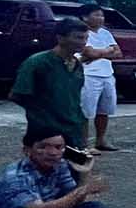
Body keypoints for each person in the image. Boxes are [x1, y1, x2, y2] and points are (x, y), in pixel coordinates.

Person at [11, 17, 89, 150]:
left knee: (76, 169)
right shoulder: (38, 62)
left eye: (85, 38)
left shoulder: (77, 65)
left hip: (74, 131)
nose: (83, 42)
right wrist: (43, 115)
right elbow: (18, 95)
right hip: (46, 133)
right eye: (78, 38)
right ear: (60, 38)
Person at [79, 4, 122, 154]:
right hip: (89, 75)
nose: (100, 18)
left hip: (107, 74)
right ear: (85, 17)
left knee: (104, 110)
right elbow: (89, 52)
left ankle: (100, 139)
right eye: (96, 15)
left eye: (101, 15)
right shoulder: (82, 32)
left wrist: (100, 53)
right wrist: (107, 50)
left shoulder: (105, 33)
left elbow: (118, 53)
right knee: (85, 111)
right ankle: (83, 143)